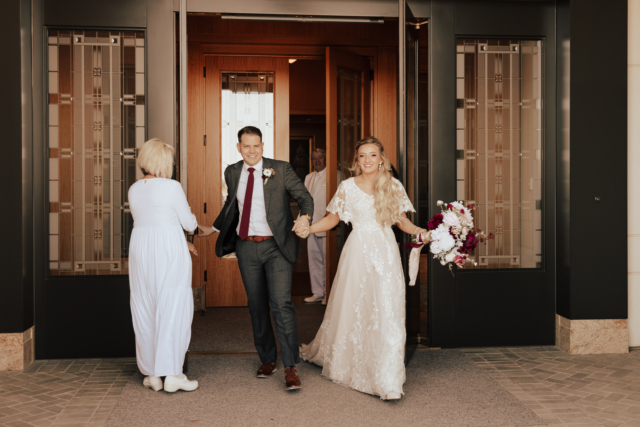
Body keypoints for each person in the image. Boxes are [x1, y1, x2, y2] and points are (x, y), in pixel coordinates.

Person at [294, 136, 429, 400]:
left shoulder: (392, 185)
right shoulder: (347, 186)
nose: (367, 160)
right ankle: (351, 361)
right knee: (356, 305)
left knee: (387, 308)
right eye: (362, 156)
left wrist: (421, 232)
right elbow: (332, 219)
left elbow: (402, 222)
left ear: (381, 158)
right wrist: (309, 229)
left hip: (385, 252)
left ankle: (388, 379)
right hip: (357, 252)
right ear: (357, 160)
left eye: (372, 155)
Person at [198, 126, 314, 391]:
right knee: (257, 305)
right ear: (238, 147)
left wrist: (305, 216)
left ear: (263, 146)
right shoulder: (232, 171)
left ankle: (290, 366)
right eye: (246, 146)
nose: (252, 151)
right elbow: (232, 204)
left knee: (281, 304)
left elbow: (304, 197)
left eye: (256, 146)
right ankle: (266, 359)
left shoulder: (280, 169)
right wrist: (214, 228)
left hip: (277, 246)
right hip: (246, 248)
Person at [128, 138, 200, 393]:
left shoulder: (135, 188)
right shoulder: (172, 187)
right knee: (173, 307)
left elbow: (153, 219)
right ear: (162, 161)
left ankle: (152, 374)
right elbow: (189, 224)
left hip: (141, 248)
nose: (173, 163)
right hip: (169, 249)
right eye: (170, 159)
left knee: (146, 306)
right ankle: (173, 374)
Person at [303, 148, 327, 304]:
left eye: (320, 157)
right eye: (314, 158)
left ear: (325, 158)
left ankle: (329, 292)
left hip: (327, 224)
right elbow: (304, 200)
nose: (317, 160)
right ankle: (318, 292)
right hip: (310, 225)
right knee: (314, 261)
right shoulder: (308, 177)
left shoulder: (334, 174)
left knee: (328, 261)